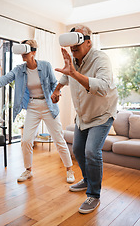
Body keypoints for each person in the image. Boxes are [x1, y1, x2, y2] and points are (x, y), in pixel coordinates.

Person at [0, 39, 75, 184]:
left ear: (33, 52)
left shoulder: (45, 66)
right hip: (32, 106)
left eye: (25, 51)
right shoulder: (19, 69)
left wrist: (57, 93)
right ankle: (28, 170)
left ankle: (69, 169)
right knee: (25, 140)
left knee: (58, 139)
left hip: (48, 105)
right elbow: (7, 78)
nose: (22, 55)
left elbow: (53, 84)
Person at [51, 25, 118, 214]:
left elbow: (104, 87)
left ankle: (94, 195)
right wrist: (56, 90)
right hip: (83, 115)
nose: (73, 46)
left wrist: (74, 73)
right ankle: (87, 180)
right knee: (78, 149)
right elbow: (66, 77)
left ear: (88, 42)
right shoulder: (74, 60)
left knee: (91, 151)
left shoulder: (101, 59)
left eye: (78, 40)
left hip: (102, 114)